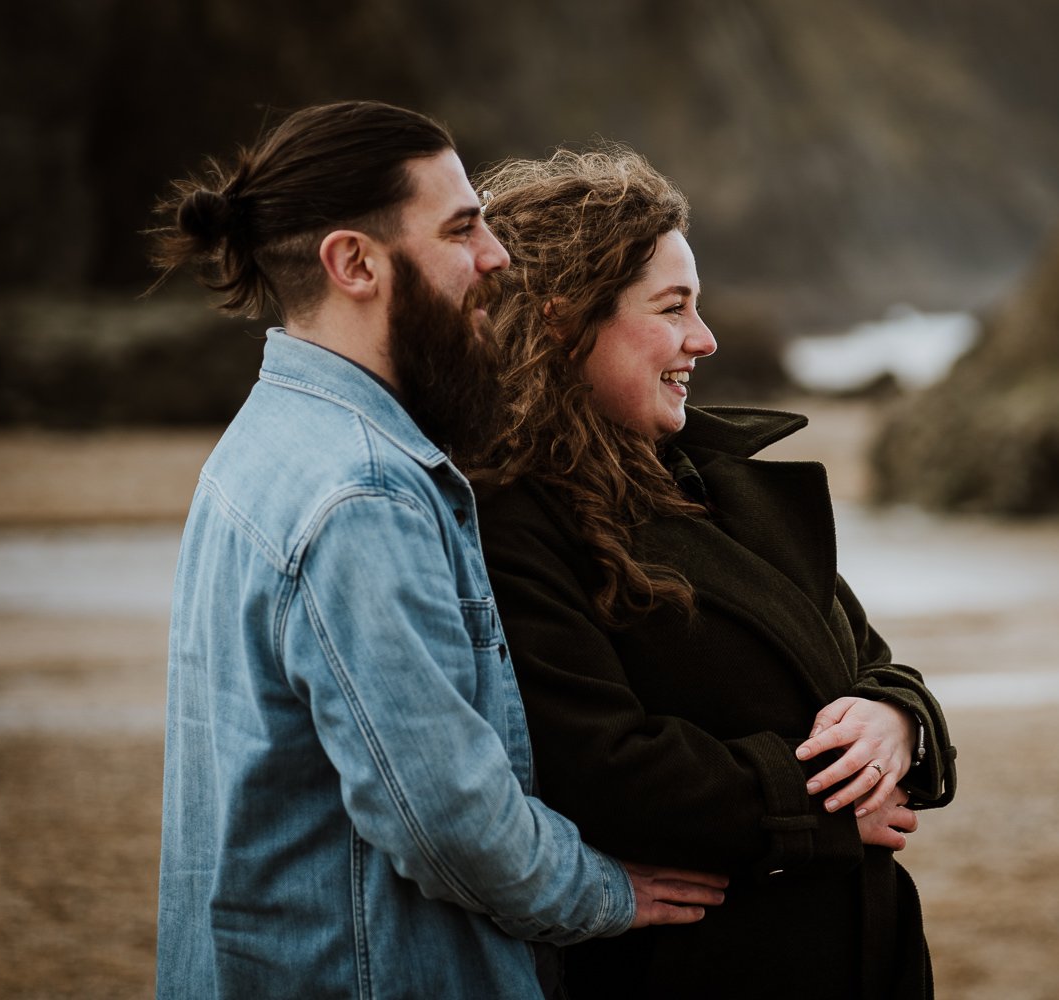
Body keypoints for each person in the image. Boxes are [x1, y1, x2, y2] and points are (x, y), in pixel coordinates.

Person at [147, 103, 727, 1000]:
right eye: (461, 229)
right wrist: (604, 890)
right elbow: (445, 818)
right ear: (354, 263)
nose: (495, 256)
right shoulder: (363, 492)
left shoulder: (268, 440)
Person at [469, 147, 958, 999]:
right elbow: (601, 767)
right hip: (699, 967)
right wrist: (830, 811)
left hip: (868, 955)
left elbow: (864, 657)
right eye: (673, 308)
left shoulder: (716, 480)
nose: (707, 338)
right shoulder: (510, 520)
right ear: (562, 321)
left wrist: (898, 718)